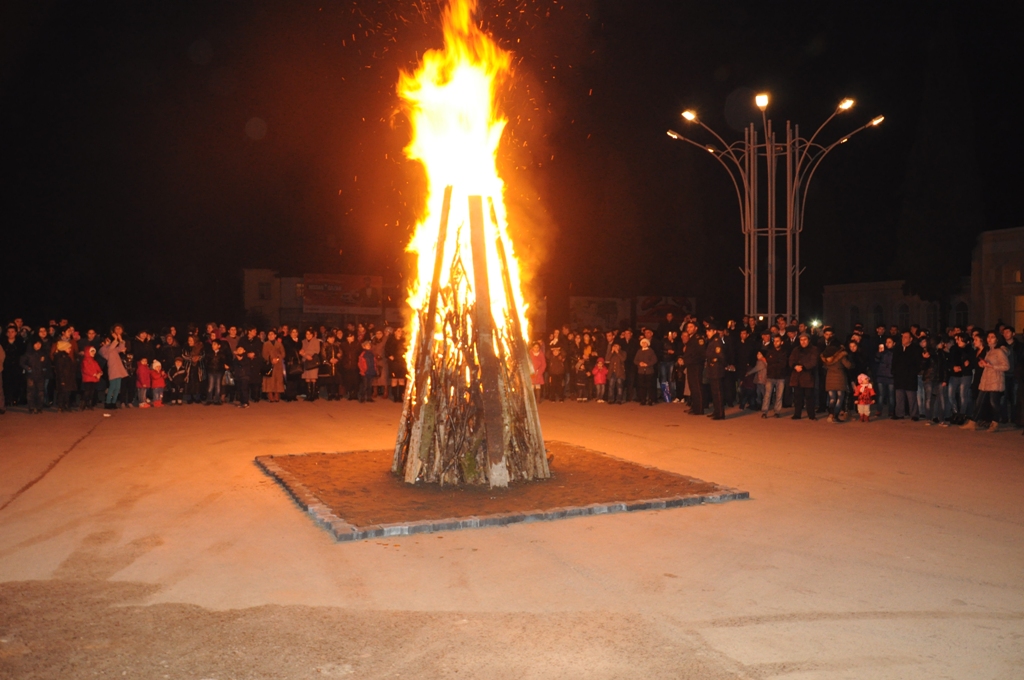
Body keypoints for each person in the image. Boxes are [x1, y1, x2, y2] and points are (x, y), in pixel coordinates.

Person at [963, 330, 1009, 432]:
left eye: (992, 337)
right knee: (979, 401)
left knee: (994, 403)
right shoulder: (989, 351)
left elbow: (1006, 366)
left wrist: (991, 366)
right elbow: (987, 364)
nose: (989, 339)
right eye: (988, 337)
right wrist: (983, 365)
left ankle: (995, 422)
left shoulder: (1000, 351)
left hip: (995, 380)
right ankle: (973, 422)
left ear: (997, 339)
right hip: (986, 380)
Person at [891, 330, 922, 420]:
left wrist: (913, 372)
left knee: (911, 397)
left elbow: (917, 363)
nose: (903, 339)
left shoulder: (915, 349)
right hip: (899, 376)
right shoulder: (898, 348)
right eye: (902, 337)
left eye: (905, 337)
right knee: (899, 396)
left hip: (910, 376)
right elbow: (894, 361)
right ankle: (899, 413)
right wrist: (894, 371)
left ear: (911, 339)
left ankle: (914, 414)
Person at [788, 333, 819, 420]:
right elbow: (791, 359)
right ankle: (797, 414)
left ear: (808, 340)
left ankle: (811, 415)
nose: (803, 342)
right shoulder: (796, 349)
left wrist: (803, 367)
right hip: (797, 377)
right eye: (801, 340)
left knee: (809, 397)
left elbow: (813, 362)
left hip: (808, 376)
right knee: (797, 397)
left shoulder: (814, 349)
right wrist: (794, 366)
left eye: (805, 340)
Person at [820, 342, 851, 423]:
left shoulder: (825, 358)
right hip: (840, 378)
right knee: (840, 398)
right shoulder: (841, 356)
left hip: (829, 378)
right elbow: (848, 365)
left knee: (832, 398)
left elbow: (824, 367)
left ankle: (830, 414)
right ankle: (836, 416)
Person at [760, 335, 789, 418]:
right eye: (774, 341)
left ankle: (777, 411)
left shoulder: (784, 352)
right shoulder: (770, 351)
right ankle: (764, 411)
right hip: (771, 376)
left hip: (781, 376)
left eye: (777, 341)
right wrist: (775, 362)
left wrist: (773, 362)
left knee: (779, 395)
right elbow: (769, 361)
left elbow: (783, 364)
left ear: (781, 342)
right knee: (767, 395)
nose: (775, 343)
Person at [100, 328, 128, 410]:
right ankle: (108, 402)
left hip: (118, 369)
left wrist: (120, 339)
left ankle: (114, 402)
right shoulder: (102, 350)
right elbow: (110, 350)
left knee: (117, 388)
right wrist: (115, 340)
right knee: (112, 387)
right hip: (112, 369)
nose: (109, 341)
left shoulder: (112, 348)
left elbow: (120, 348)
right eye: (107, 340)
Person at [683, 321, 706, 415]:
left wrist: (691, 361)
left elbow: (701, 353)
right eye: (687, 327)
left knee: (697, 387)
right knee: (692, 387)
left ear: (696, 328)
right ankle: (694, 406)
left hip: (696, 365)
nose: (688, 329)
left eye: (691, 327)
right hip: (691, 365)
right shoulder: (691, 338)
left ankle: (699, 409)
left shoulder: (698, 338)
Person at [704, 325, 727, 419]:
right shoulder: (712, 341)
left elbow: (721, 356)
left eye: (709, 331)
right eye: (706, 331)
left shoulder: (716, 341)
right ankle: (716, 411)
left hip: (716, 370)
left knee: (718, 393)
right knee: (714, 392)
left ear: (714, 331)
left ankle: (720, 413)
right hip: (712, 370)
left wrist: (716, 362)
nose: (707, 333)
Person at [20, 338, 48, 414]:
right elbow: (22, 362)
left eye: (39, 344)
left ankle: (39, 407)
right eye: (36, 343)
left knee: (40, 392)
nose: (38, 345)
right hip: (31, 375)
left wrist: (44, 366)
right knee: (30, 392)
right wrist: (28, 368)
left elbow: (47, 363)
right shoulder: (28, 353)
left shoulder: (43, 353)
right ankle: (31, 407)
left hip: (40, 375)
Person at [53, 340, 78, 413]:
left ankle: (66, 405)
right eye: (68, 348)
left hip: (68, 377)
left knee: (67, 392)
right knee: (62, 392)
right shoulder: (60, 357)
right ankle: (61, 406)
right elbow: (60, 370)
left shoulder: (66, 357)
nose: (70, 349)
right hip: (64, 378)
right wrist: (62, 380)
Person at [261, 329, 286, 403]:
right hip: (269, 364)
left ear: (275, 335)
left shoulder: (279, 344)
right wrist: (271, 359)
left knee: (278, 380)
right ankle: (270, 395)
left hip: (278, 364)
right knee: (269, 380)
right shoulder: (265, 344)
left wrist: (278, 358)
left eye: (272, 334)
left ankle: (277, 394)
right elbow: (264, 354)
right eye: (269, 335)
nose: (270, 336)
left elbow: (283, 353)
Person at [386, 328, 408, 403]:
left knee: (402, 379)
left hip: (402, 361)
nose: (400, 332)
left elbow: (407, 349)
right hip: (394, 362)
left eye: (401, 331)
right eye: (398, 331)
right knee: (394, 379)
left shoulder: (404, 340)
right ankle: (395, 396)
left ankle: (400, 396)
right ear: (395, 332)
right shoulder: (390, 340)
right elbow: (386, 350)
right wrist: (389, 355)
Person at [634, 337, 658, 406]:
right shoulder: (639, 351)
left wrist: (647, 364)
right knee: (642, 386)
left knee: (650, 386)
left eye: (645, 342)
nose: (644, 344)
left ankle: (651, 399)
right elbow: (635, 360)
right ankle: (643, 399)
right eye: (643, 343)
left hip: (649, 371)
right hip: (641, 371)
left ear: (648, 344)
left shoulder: (651, 351)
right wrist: (639, 363)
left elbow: (654, 360)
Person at [204, 339, 229, 405]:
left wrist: (223, 368)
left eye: (215, 344)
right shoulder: (209, 353)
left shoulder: (221, 354)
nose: (213, 346)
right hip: (211, 371)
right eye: (212, 344)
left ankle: (217, 400)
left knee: (218, 386)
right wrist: (208, 368)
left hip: (219, 371)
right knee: (210, 386)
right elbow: (206, 362)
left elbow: (223, 362)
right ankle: (209, 399)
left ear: (219, 346)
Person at [300, 329, 322, 402]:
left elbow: (317, 351)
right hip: (306, 361)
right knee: (307, 378)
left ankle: (313, 395)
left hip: (313, 361)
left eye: (310, 334)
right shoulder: (303, 341)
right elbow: (302, 351)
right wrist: (305, 355)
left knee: (313, 378)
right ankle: (308, 395)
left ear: (312, 335)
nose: (308, 335)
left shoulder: (316, 341)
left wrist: (305, 353)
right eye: (307, 334)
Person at [80, 346, 103, 410]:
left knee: (91, 392)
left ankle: (89, 404)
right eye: (92, 352)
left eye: (94, 352)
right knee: (87, 392)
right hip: (87, 379)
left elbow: (99, 369)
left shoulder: (94, 361)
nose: (93, 353)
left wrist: (100, 373)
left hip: (93, 379)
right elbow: (85, 370)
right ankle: (83, 404)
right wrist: (95, 374)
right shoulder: (85, 361)